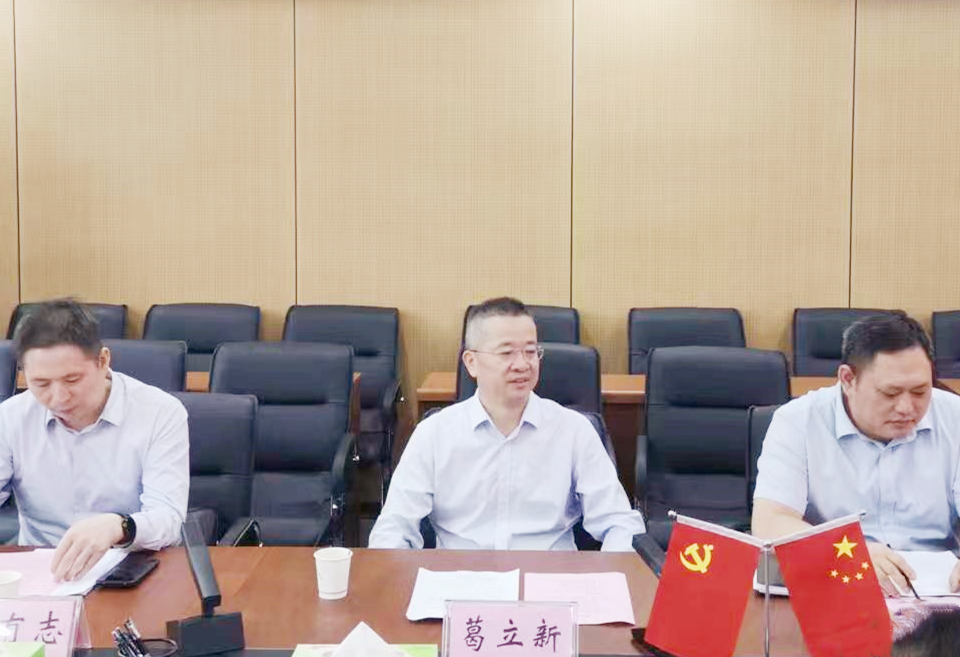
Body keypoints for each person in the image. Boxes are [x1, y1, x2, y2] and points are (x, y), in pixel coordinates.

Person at [369, 297, 644, 551]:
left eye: (531, 351)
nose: (523, 364)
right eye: (507, 353)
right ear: (471, 362)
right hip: (460, 576)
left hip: (550, 577)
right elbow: (394, 526)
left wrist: (611, 575)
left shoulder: (574, 430)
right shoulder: (434, 434)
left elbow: (620, 522)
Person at [752, 312, 960, 596]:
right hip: (837, 582)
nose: (907, 408)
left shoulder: (954, 417)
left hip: (940, 593)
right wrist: (848, 551)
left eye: (920, 391)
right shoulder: (797, 421)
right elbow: (770, 523)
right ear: (848, 379)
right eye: (890, 393)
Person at [0, 300, 189, 581]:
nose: (58, 398)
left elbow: (168, 518)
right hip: (43, 571)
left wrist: (119, 526)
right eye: (41, 384)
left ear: (103, 361)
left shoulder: (160, 413)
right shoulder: (11, 417)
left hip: (133, 567)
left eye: (72, 380)